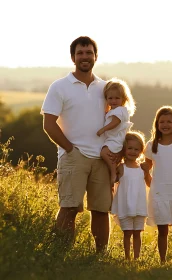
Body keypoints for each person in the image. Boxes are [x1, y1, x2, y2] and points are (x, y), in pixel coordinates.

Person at [41, 36, 111, 252]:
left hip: (101, 157)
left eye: (89, 52)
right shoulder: (60, 86)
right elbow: (49, 124)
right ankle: (60, 255)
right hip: (73, 156)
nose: (85, 57)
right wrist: (70, 149)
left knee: (101, 210)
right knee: (69, 207)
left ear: (95, 56)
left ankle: (99, 258)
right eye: (80, 53)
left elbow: (117, 119)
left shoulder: (106, 88)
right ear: (73, 57)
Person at [143, 106, 172, 263]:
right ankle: (162, 261)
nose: (165, 124)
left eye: (169, 121)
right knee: (162, 229)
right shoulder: (151, 146)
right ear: (157, 124)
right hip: (159, 193)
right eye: (161, 121)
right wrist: (148, 180)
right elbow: (146, 170)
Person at [111, 131, 149, 260]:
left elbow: (149, 183)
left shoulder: (142, 168)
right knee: (127, 233)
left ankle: (136, 258)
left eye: (136, 149)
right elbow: (113, 180)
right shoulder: (121, 167)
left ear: (141, 151)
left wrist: (147, 171)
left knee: (137, 233)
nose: (133, 151)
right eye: (130, 148)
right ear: (124, 149)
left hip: (139, 205)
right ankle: (127, 257)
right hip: (125, 205)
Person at [97, 78, 135, 186]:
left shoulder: (119, 111)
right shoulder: (115, 110)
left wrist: (103, 129)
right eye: (110, 98)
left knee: (104, 153)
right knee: (108, 154)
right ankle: (115, 170)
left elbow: (115, 122)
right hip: (113, 138)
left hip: (116, 138)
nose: (113, 101)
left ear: (123, 99)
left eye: (117, 98)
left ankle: (113, 171)